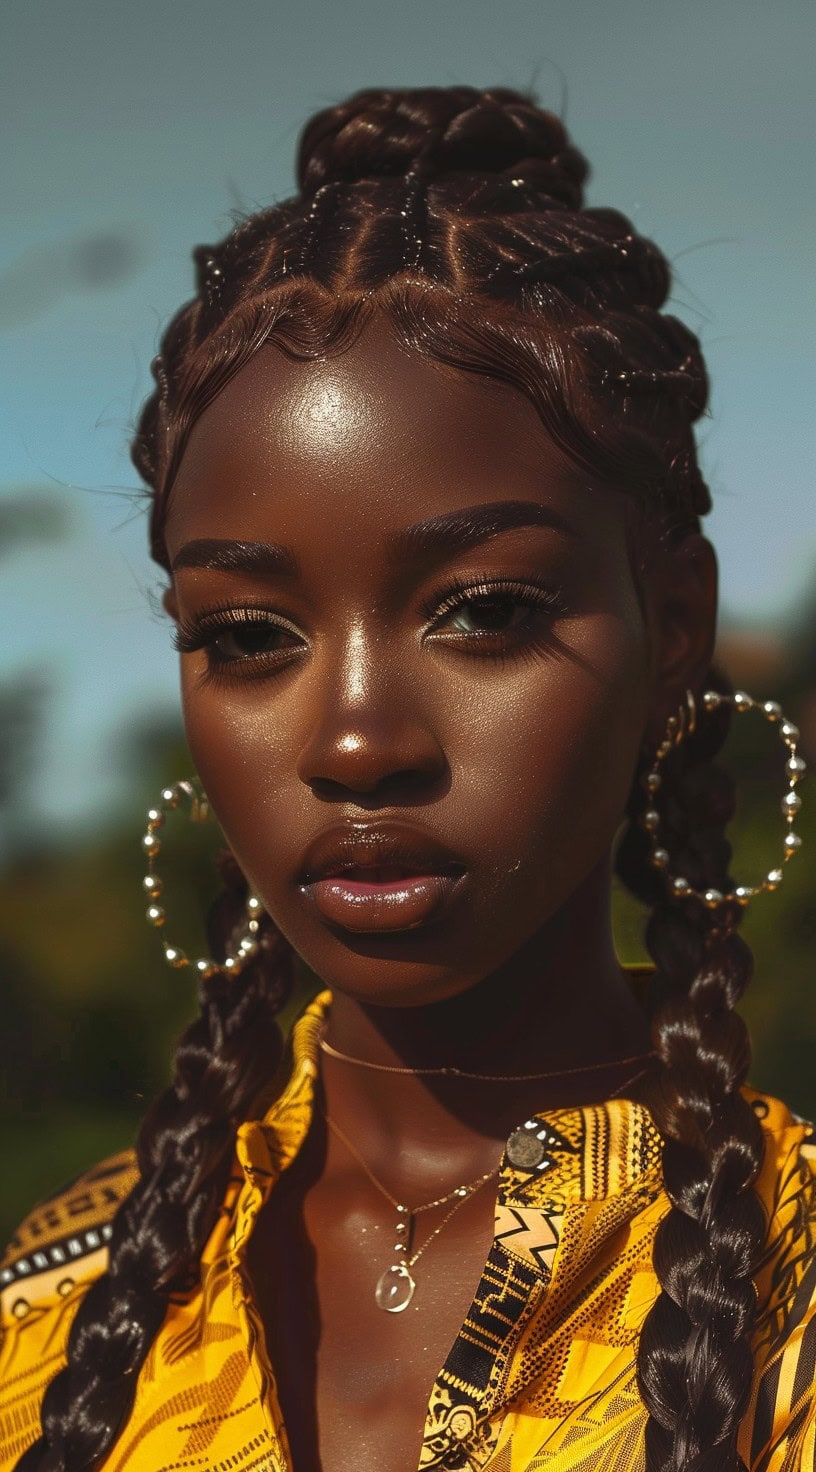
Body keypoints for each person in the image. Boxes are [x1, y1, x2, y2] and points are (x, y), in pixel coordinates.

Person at [0, 85, 812, 1472]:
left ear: (673, 625)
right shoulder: (49, 1302)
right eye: (249, 638)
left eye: (483, 612)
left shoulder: (783, 1293)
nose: (358, 744)